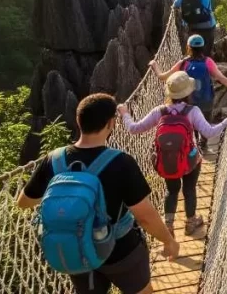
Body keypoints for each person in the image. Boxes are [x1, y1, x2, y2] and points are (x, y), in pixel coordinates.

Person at [17, 93, 180, 294]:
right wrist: (169, 241)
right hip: (121, 250)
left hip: (76, 252)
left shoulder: (53, 160)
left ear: (78, 121)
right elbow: (145, 217)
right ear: (111, 123)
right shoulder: (121, 162)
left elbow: (24, 202)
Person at [118, 72, 227, 237]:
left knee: (172, 191)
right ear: (188, 92)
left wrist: (125, 113)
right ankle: (190, 222)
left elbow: (134, 128)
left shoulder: (159, 111)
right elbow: (209, 132)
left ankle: (168, 225)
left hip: (167, 161)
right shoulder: (193, 111)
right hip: (190, 161)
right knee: (189, 189)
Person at [152, 34, 227, 113]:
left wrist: (154, 65)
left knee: (190, 126)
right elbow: (221, 78)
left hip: (188, 103)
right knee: (205, 126)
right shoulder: (208, 62)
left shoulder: (183, 63)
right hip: (206, 102)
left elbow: (162, 77)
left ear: (188, 47)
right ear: (202, 47)